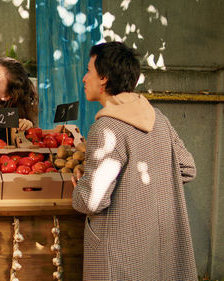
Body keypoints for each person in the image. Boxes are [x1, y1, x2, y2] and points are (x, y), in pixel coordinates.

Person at [71, 42, 197, 280]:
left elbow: (91, 201)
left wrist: (79, 190)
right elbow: (187, 168)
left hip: (118, 251)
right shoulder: (158, 118)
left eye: (89, 71)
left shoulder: (107, 127)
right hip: (160, 245)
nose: (85, 78)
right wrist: (143, 195)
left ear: (105, 78)